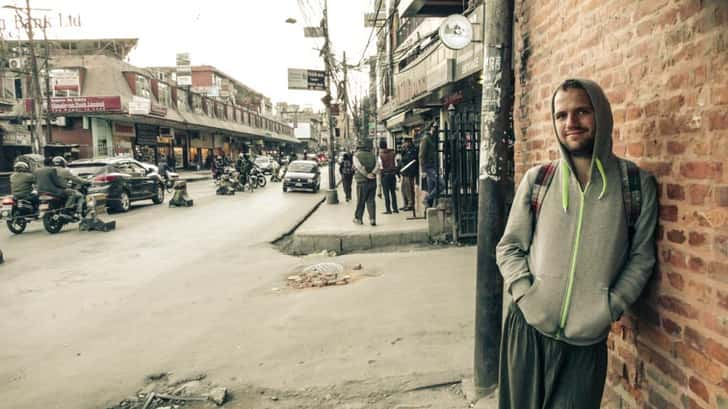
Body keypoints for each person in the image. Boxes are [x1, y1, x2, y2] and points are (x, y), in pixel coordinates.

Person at [495, 79, 658, 409]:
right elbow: (509, 247)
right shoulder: (539, 179)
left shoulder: (635, 184)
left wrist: (609, 306)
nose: (571, 123)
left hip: (586, 344)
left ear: (601, 114)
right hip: (527, 330)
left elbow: (642, 257)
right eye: (561, 115)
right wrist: (526, 293)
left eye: (582, 111)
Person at [353, 140, 379, 226]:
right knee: (371, 200)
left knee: (361, 201)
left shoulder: (356, 156)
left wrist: (367, 174)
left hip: (362, 182)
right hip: (373, 181)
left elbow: (359, 167)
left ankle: (358, 218)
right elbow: (378, 166)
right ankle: (372, 219)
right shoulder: (373, 155)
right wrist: (373, 173)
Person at [419, 121, 439, 208]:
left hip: (433, 166)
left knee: (431, 188)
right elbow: (421, 155)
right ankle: (426, 199)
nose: (436, 129)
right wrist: (423, 170)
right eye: (435, 127)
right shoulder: (426, 138)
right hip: (428, 167)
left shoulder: (433, 138)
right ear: (431, 127)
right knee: (441, 184)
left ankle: (428, 208)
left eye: (437, 127)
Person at [377, 140, 398, 214]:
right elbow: (396, 164)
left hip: (385, 176)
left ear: (380, 147)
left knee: (386, 193)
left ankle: (388, 210)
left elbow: (380, 167)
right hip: (392, 175)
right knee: (393, 192)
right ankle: (395, 209)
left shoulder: (380, 155)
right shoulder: (393, 153)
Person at [398, 137, 418, 211]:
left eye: (405, 142)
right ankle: (405, 203)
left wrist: (403, 158)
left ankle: (410, 204)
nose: (403, 144)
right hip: (404, 172)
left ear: (409, 142)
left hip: (410, 172)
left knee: (409, 189)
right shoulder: (405, 150)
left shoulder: (413, 150)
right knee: (403, 189)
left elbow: (410, 160)